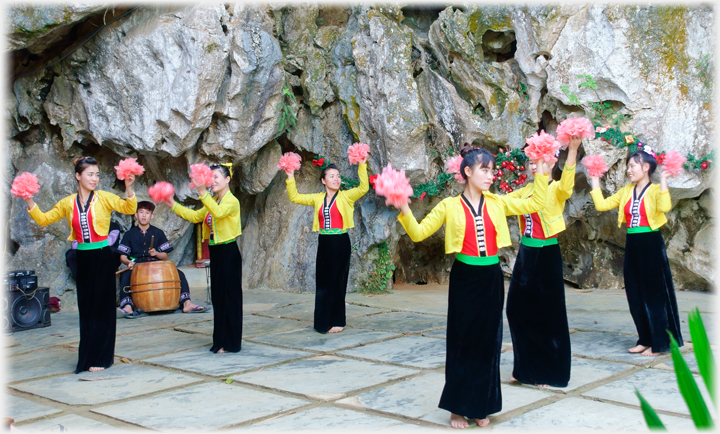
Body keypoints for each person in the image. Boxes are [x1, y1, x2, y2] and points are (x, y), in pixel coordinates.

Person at [394, 144, 551, 428]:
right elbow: (418, 233)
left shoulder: (498, 202)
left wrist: (540, 167)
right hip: (465, 278)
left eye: (492, 170)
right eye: (485, 170)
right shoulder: (448, 206)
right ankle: (456, 408)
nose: (491, 175)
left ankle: (481, 405)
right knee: (462, 342)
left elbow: (536, 203)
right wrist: (404, 205)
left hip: (491, 277)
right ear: (467, 171)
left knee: (488, 342)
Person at [23, 156, 137, 373]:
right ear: (78, 176)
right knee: (87, 309)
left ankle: (103, 357)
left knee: (103, 308)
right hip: (83, 258)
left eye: (97, 175)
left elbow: (129, 207)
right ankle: (87, 356)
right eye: (89, 174)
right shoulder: (67, 203)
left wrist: (129, 187)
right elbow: (44, 219)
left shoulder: (103, 197)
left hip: (103, 256)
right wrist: (29, 199)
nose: (94, 179)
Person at [589, 146, 683, 356]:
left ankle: (659, 343)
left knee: (654, 295)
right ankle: (645, 339)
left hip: (651, 243)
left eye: (633, 166)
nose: (629, 170)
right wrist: (595, 178)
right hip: (633, 243)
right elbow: (602, 205)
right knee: (635, 293)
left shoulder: (657, 189)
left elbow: (665, 207)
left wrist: (665, 181)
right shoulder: (625, 192)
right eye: (628, 167)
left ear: (646, 167)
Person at [504, 136, 582, 388]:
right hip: (526, 254)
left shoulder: (556, 188)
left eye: (540, 162)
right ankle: (524, 367)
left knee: (549, 315)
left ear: (551, 163)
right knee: (516, 309)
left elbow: (568, 184)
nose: (534, 166)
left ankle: (551, 372)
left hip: (547, 254)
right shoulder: (524, 191)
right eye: (531, 162)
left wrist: (572, 150)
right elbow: (502, 203)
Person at [284, 156, 369, 334]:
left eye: (338, 176)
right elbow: (295, 197)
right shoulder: (317, 199)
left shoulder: (346, 196)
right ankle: (322, 321)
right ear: (323, 180)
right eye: (331, 176)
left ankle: (338, 320)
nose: (336, 179)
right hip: (324, 242)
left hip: (340, 242)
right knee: (323, 282)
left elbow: (363, 187)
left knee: (338, 282)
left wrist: (362, 163)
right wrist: (290, 176)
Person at [163, 163, 242, 353]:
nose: (212, 181)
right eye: (210, 177)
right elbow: (195, 216)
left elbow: (219, 213)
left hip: (229, 252)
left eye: (216, 177)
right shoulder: (212, 201)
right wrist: (172, 203)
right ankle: (220, 341)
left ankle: (231, 343)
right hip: (216, 252)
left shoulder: (232, 201)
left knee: (230, 298)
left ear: (227, 179)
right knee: (218, 298)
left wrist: (202, 192)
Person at [117, 201, 209, 318]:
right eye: (141, 212)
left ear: (152, 216)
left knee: (179, 273)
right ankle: (128, 306)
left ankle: (186, 303)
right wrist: (128, 262)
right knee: (125, 276)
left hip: (155, 264)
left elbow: (165, 256)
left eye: (147, 213)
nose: (144, 215)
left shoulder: (158, 233)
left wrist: (156, 253)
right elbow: (122, 256)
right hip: (137, 265)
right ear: (136, 215)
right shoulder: (129, 234)